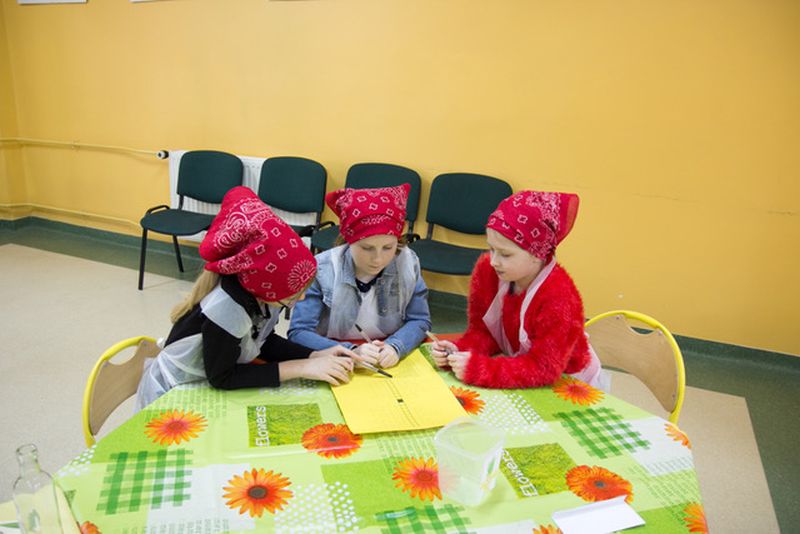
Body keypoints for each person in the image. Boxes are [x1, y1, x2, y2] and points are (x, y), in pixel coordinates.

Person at [135, 186, 359, 410]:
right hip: (173, 393)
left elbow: (263, 340)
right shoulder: (228, 309)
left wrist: (314, 355)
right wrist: (300, 368)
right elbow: (223, 378)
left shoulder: (261, 292)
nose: (300, 299)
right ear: (267, 288)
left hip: (207, 381)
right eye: (292, 296)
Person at [430, 190, 606, 389]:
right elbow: (484, 333)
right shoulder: (487, 271)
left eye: (505, 254)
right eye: (491, 249)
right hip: (520, 367)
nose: (494, 261)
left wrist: (479, 369)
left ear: (537, 254)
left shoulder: (560, 298)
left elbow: (544, 368)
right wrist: (458, 350)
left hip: (567, 380)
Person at [288, 183, 431, 369]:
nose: (378, 259)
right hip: (333, 356)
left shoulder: (408, 265)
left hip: (386, 350)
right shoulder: (323, 268)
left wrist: (396, 346)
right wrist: (351, 350)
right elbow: (299, 332)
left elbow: (420, 320)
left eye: (388, 247)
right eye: (367, 248)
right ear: (349, 241)